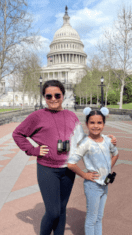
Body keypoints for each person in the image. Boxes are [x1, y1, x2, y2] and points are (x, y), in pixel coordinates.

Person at [12, 80, 116, 235]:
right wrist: (33, 150)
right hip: (47, 169)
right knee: (53, 211)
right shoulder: (37, 116)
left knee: (61, 209)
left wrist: (104, 139)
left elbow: (82, 140)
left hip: (68, 170)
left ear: (62, 96)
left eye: (57, 95)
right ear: (44, 97)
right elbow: (18, 134)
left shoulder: (71, 116)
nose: (53, 98)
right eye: (48, 96)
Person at [67, 107, 119, 235]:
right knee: (91, 219)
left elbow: (116, 154)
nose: (96, 126)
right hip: (93, 186)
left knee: (99, 218)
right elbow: (71, 164)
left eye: (99, 122)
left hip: (105, 184)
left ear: (104, 124)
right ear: (87, 124)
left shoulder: (107, 140)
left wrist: (107, 169)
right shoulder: (85, 143)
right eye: (92, 122)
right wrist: (85, 175)